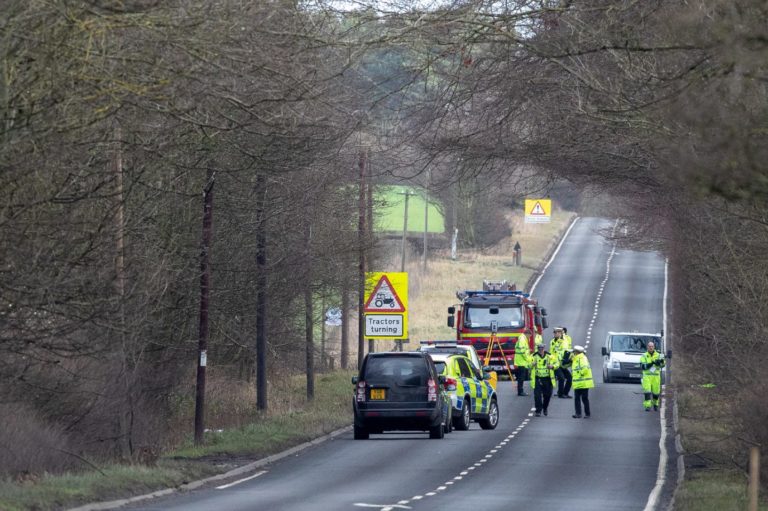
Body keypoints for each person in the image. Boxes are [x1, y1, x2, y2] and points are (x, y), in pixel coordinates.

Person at [531, 342, 558, 416]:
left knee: (547, 395)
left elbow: (557, 363)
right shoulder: (533, 356)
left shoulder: (550, 356)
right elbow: (527, 364)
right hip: (538, 378)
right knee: (537, 396)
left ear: (544, 349)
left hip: (547, 379)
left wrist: (552, 366)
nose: (540, 350)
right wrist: (531, 365)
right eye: (539, 349)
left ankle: (545, 407)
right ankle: (538, 411)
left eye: (541, 349)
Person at [639, 341, 665, 411]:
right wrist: (652, 363)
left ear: (654, 347)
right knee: (647, 391)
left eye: (652, 346)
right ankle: (647, 406)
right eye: (649, 346)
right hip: (647, 376)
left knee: (656, 392)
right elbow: (643, 366)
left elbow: (663, 365)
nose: (651, 347)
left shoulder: (659, 355)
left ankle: (655, 404)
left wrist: (660, 363)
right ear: (647, 347)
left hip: (656, 376)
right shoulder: (644, 355)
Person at [571, 345, 594, 418]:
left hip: (583, 382)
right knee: (577, 398)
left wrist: (580, 374)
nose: (573, 353)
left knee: (584, 398)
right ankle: (578, 413)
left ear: (577, 352)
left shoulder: (582, 358)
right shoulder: (576, 358)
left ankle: (587, 414)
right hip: (578, 382)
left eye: (574, 352)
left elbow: (585, 369)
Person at [550, 327, 573, 398]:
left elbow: (567, 349)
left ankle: (565, 392)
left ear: (560, 333)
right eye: (554, 332)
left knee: (569, 378)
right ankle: (560, 394)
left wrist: (569, 359)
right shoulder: (553, 342)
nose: (555, 334)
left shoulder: (565, 340)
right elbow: (554, 352)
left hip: (562, 363)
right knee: (561, 378)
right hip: (556, 364)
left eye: (557, 332)